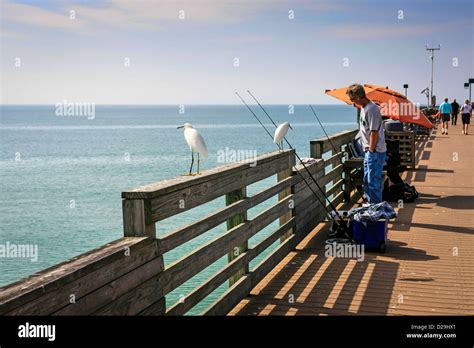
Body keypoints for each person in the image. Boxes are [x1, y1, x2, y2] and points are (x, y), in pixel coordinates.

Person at [346, 83, 387, 204]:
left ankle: (376, 209)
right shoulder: (363, 108)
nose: (352, 102)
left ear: (358, 97)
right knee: (367, 181)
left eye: (353, 99)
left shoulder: (372, 109)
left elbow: (374, 132)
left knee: (373, 182)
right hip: (368, 151)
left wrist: (371, 150)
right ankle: (371, 206)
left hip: (375, 151)